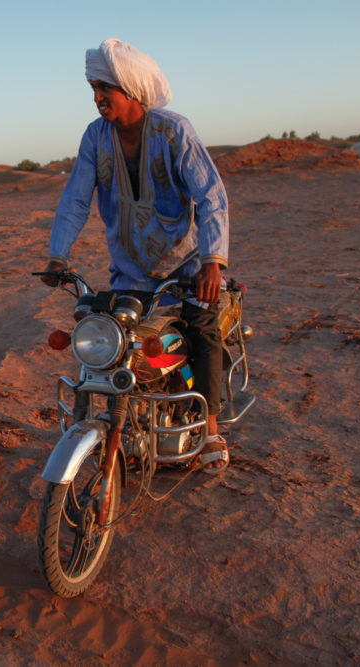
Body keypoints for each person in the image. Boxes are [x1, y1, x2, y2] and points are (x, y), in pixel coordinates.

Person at [40, 38, 230, 473]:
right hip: (128, 271)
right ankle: (128, 428)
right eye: (93, 88)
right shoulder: (95, 136)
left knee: (203, 331)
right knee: (118, 351)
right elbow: (75, 199)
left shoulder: (173, 130)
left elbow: (212, 196)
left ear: (130, 88)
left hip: (184, 268)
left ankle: (213, 427)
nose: (97, 97)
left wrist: (212, 261)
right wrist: (57, 256)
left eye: (105, 87)